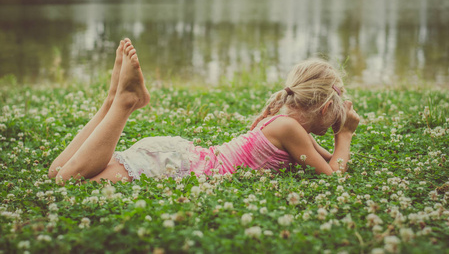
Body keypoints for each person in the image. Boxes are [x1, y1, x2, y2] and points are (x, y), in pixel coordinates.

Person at [48, 38, 360, 184]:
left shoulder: (287, 125)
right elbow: (333, 174)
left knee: (56, 174)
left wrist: (337, 133)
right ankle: (124, 102)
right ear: (322, 109)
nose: (338, 118)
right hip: (177, 166)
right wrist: (343, 135)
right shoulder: (289, 129)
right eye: (335, 113)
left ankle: (111, 100)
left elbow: (325, 161)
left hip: (175, 157)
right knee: (67, 183)